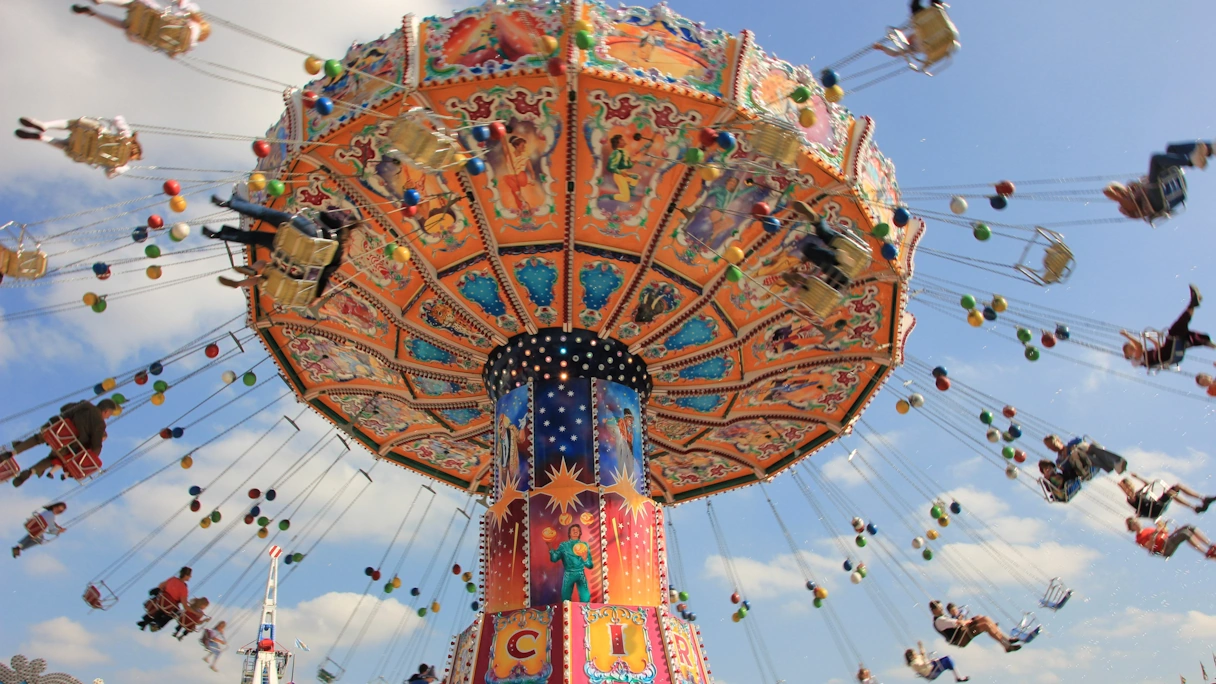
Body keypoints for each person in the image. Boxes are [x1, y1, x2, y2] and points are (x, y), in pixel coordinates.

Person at [2, 399, 116, 487]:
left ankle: (12, 453)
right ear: (106, 411)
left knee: (38, 439)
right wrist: (92, 456)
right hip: (69, 444)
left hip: (58, 430)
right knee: (53, 459)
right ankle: (31, 472)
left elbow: (64, 409)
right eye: (108, 415)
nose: (107, 418)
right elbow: (96, 446)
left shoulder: (85, 404)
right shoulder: (100, 424)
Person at [1105, 142, 1212, 220]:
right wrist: (1117, 197)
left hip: (1162, 188)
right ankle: (1191, 160)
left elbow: (1151, 178)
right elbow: (1132, 206)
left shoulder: (1134, 188)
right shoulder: (1123, 206)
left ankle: (1210, 148)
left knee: (1171, 149)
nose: (1118, 192)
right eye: (1116, 191)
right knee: (1155, 159)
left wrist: (1137, 186)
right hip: (1155, 202)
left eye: (1117, 189)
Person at [14, 116, 142, 179]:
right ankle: (42, 138)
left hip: (91, 133)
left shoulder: (126, 138)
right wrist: (123, 168)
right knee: (66, 146)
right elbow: (109, 175)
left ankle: (45, 125)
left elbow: (118, 118)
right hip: (83, 152)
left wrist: (117, 126)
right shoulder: (120, 164)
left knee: (72, 124)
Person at [1120, 285, 1214, 370]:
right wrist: (1126, 335)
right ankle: (1193, 304)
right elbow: (1139, 345)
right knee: (1175, 330)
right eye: (1131, 349)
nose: (1133, 348)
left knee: (1182, 332)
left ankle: (1205, 339)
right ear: (1128, 355)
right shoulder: (1135, 361)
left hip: (1167, 352)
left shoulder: (1148, 354)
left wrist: (1150, 338)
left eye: (1131, 347)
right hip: (1167, 355)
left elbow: (1159, 347)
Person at [70, 0, 210, 56]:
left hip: (151, 14)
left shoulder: (192, 17)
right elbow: (171, 53)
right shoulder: (187, 45)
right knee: (124, 26)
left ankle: (105, 0)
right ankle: (93, 13)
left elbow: (181, 4)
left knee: (132, 3)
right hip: (141, 34)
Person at [929, 600, 1020, 652]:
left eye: (941, 607)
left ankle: (1007, 639)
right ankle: (1007, 646)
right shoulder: (939, 620)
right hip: (960, 638)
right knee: (985, 625)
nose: (942, 609)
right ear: (934, 611)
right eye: (939, 608)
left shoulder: (942, 617)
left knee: (984, 618)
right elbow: (960, 623)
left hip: (962, 632)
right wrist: (970, 620)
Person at [1120, 474, 1216, 518]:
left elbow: (1147, 484)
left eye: (1130, 485)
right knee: (1170, 494)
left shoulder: (1138, 493)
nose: (1130, 488)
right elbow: (1129, 494)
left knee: (1177, 487)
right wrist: (1122, 486)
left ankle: (1203, 499)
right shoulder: (1130, 498)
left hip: (1157, 504)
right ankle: (1193, 507)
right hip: (1154, 510)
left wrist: (1137, 477)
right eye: (1128, 487)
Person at [1127, 518, 1216, 560]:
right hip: (1164, 548)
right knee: (1184, 534)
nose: (1137, 524)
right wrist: (1154, 535)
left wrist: (1163, 528)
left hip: (1168, 540)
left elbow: (1165, 533)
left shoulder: (1148, 529)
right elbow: (1149, 546)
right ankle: (1206, 552)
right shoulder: (1139, 538)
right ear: (1132, 528)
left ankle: (1210, 545)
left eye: (1136, 522)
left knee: (1188, 527)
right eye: (1134, 524)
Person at [548, 524, 594, 602]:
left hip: (580, 574)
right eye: (573, 530)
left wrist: (585, 559)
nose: (575, 531)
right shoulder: (564, 545)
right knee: (565, 599)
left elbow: (590, 565)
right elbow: (554, 559)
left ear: (580, 533)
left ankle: (584, 613)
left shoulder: (585, 545)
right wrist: (550, 546)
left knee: (586, 598)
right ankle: (567, 613)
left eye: (577, 530)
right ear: (569, 533)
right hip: (568, 574)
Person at [1042, 434, 1127, 476]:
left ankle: (1116, 462)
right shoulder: (1059, 460)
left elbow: (1082, 442)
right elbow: (1067, 469)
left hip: (1088, 456)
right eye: (1050, 447)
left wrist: (1076, 447)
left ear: (1058, 441)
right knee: (1077, 454)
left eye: (1053, 444)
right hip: (1082, 467)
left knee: (1092, 448)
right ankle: (1111, 464)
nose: (1052, 448)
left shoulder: (1071, 443)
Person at [139, 566, 191, 631]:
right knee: (174, 613)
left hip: (161, 600)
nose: (190, 577)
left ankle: (146, 622)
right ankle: (158, 625)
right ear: (186, 575)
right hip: (169, 607)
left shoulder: (172, 579)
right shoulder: (184, 589)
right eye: (190, 575)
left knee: (158, 607)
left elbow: (161, 585)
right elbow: (184, 605)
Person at [607, 134, 639, 202]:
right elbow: (610, 167)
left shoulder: (625, 152)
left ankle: (630, 192)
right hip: (619, 176)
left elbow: (627, 165)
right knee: (625, 198)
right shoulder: (616, 153)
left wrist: (632, 163)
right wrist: (620, 172)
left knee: (636, 177)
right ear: (618, 143)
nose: (624, 140)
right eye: (621, 140)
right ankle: (609, 196)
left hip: (624, 174)